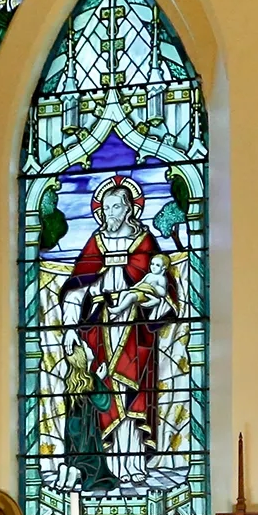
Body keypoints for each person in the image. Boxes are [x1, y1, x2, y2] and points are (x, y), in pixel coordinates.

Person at [53, 175, 178, 492]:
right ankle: (105, 462)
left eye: (116, 206)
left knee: (130, 394)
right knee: (102, 389)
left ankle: (132, 463)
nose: (110, 212)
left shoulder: (144, 241)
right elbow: (76, 287)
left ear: (129, 209)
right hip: (99, 328)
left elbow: (159, 286)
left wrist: (135, 295)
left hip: (134, 332)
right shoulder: (96, 242)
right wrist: (70, 329)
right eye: (106, 207)